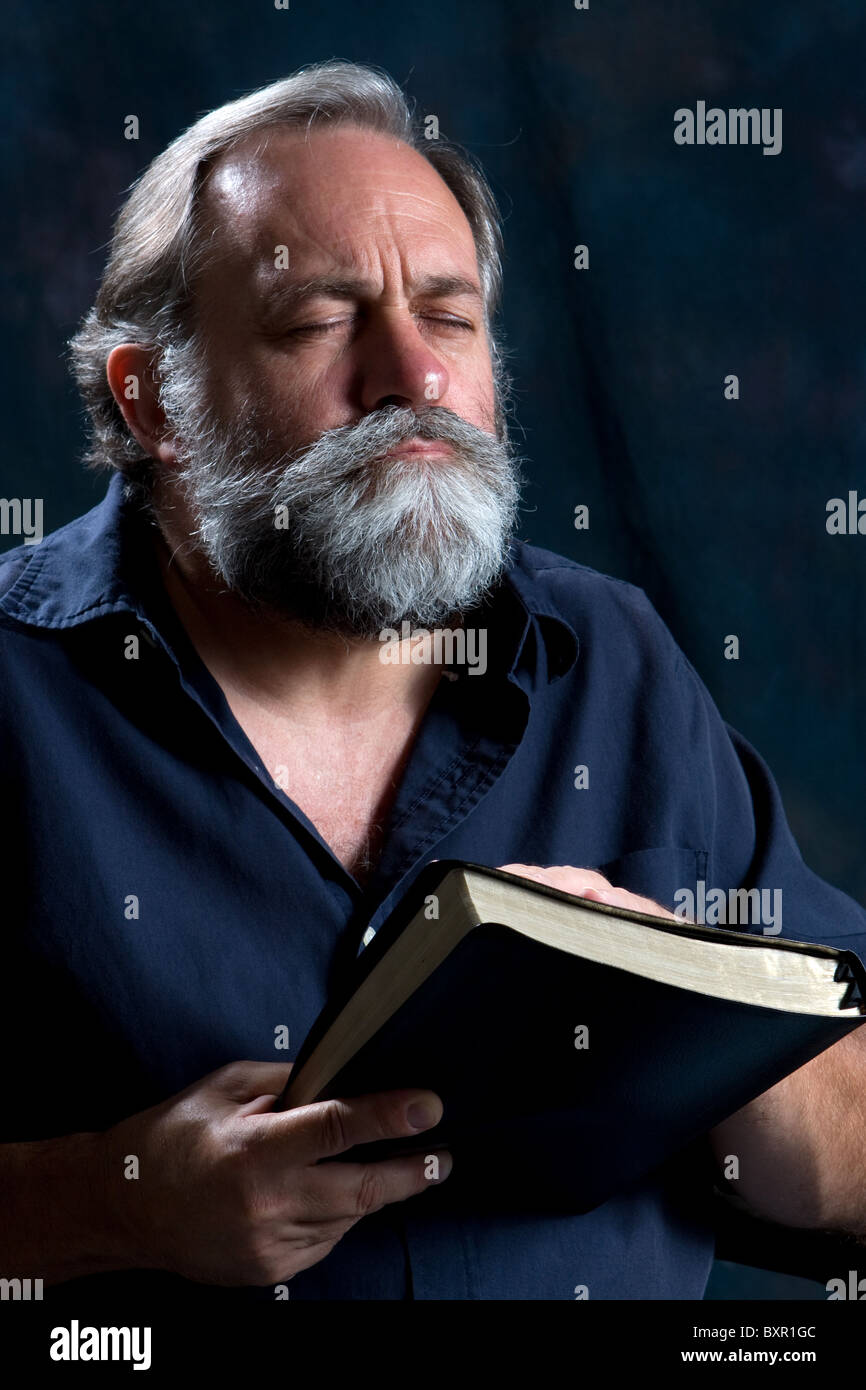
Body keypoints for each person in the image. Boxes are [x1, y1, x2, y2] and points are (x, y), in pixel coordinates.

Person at [2, 60, 865, 1302]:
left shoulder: (612, 657)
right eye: (317, 322)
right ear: (154, 405)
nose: (412, 377)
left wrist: (683, 1002)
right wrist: (110, 1199)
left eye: (449, 316)